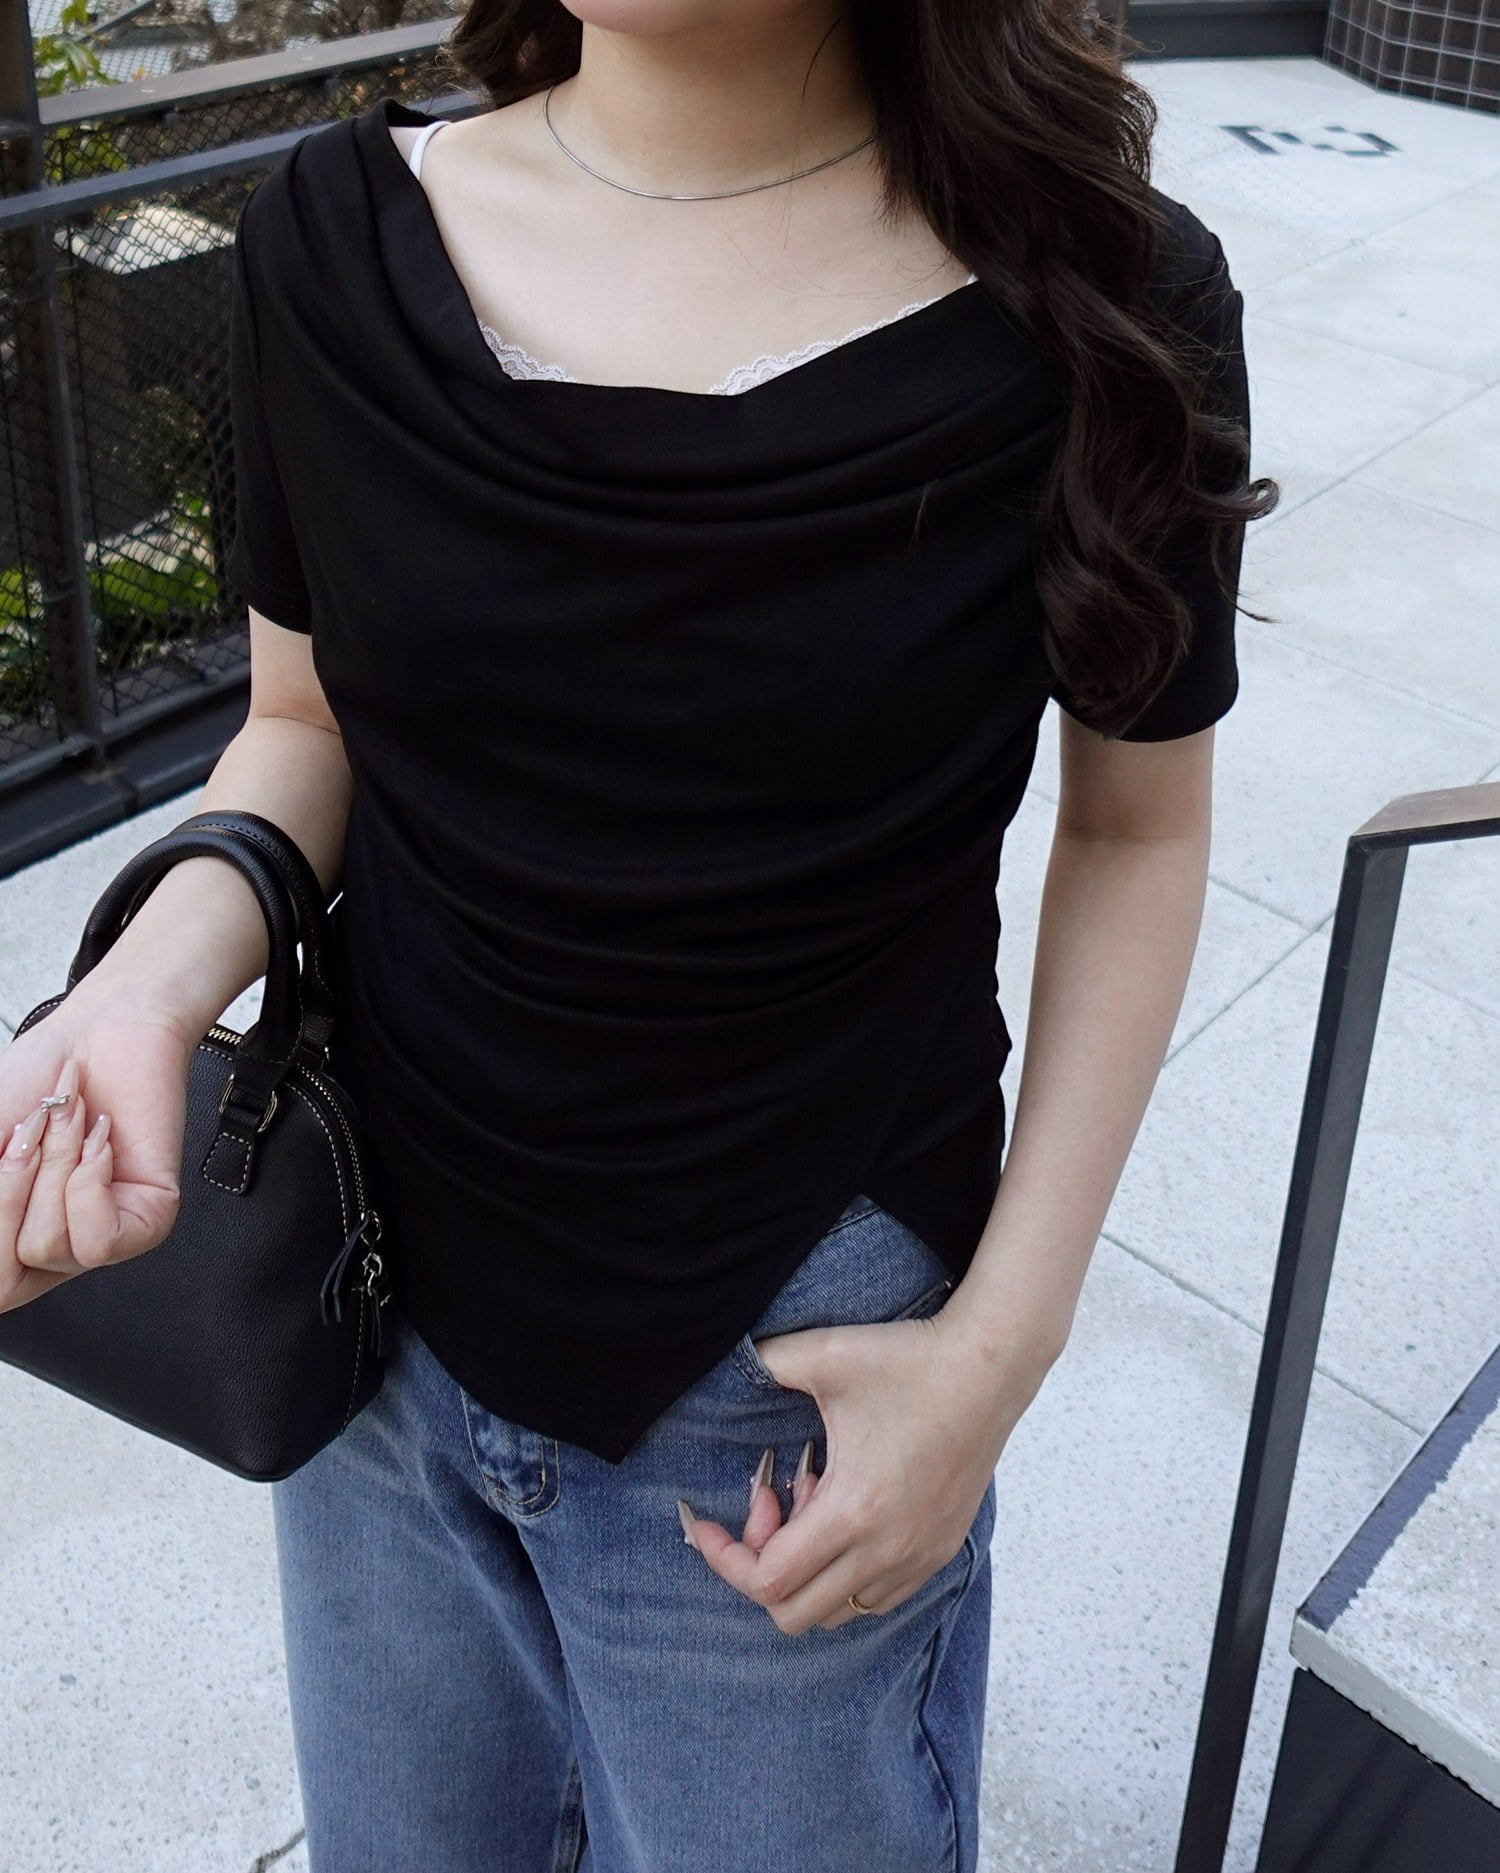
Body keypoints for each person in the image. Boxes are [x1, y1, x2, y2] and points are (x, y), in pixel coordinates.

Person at [0, 0, 1279, 1866]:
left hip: (792, 1392)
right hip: (375, 1324)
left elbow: (1137, 829)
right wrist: (139, 989)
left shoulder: (1106, 297)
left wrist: (1000, 1350)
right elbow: (303, 725)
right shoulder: (334, 241)